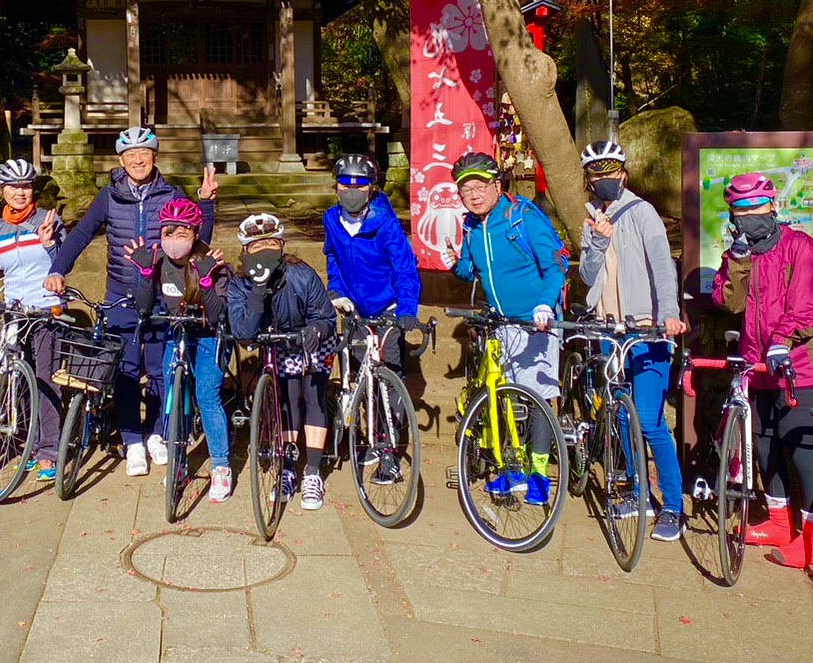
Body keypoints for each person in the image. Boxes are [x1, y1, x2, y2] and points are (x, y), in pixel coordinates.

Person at [43, 127, 215, 477]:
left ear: (155, 157)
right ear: (121, 160)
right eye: (130, 155)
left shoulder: (170, 193)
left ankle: (155, 433)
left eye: (145, 153)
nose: (138, 160)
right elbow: (80, 234)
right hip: (120, 292)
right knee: (123, 369)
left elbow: (195, 241)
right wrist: (58, 268)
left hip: (161, 292)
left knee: (158, 369)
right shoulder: (110, 195)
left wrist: (206, 203)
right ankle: (132, 440)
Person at [711, 171, 813, 570]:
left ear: (773, 207)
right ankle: (779, 522)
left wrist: (781, 339)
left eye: (755, 208)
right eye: (739, 210)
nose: (748, 216)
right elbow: (727, 302)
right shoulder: (739, 253)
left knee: (803, 454)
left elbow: (807, 307)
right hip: (757, 367)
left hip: (800, 369)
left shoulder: (801, 247)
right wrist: (739, 261)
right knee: (764, 447)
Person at [440, 152, 568, 507]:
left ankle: (539, 477)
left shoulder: (522, 217)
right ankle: (514, 470)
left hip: (535, 322)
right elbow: (471, 271)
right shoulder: (472, 226)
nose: (474, 195)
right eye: (466, 190)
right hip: (499, 323)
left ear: (498, 186)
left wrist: (545, 303)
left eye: (480, 187)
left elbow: (557, 263)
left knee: (538, 398)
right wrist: (456, 263)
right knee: (507, 399)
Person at [577, 139, 688, 542]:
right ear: (588, 179)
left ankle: (674, 506)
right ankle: (640, 493)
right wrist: (599, 240)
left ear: (623, 174)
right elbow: (589, 276)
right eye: (596, 174)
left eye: (611, 173)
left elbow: (662, 265)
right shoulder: (591, 217)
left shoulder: (643, 213)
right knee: (621, 415)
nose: (604, 180)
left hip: (647, 329)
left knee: (649, 419)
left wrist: (669, 314)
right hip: (609, 329)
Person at [322, 152, 421, 485]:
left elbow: (405, 269)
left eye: (360, 184)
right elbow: (333, 258)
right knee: (359, 381)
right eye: (345, 184)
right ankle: (368, 440)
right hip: (353, 310)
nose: (352, 190)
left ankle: (390, 454)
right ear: (335, 187)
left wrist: (407, 310)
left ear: (371, 188)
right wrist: (336, 291)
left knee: (386, 383)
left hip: (387, 310)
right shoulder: (331, 220)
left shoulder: (385, 223)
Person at [227, 213, 338, 510]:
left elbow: (326, 315)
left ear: (282, 245)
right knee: (287, 400)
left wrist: (314, 330)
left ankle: (313, 472)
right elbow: (243, 334)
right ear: (245, 251)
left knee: (311, 396)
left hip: (309, 339)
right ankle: (288, 466)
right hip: (276, 344)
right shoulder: (239, 285)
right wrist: (259, 292)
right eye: (256, 245)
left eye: (271, 243)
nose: (264, 250)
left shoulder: (301, 274)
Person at [127, 197, 234, 502]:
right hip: (177, 333)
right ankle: (179, 462)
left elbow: (216, 316)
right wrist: (146, 277)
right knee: (173, 394)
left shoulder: (209, 261)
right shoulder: (158, 260)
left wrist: (207, 281)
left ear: (195, 234)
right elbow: (144, 308)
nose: (173, 241)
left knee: (205, 395)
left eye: (181, 234)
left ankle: (221, 467)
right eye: (168, 233)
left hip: (210, 336)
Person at [0, 158, 65, 482]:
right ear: (1, 191)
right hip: (12, 312)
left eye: (26, 186)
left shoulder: (48, 220)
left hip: (44, 310)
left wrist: (50, 244)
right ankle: (27, 442)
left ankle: (49, 451)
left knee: (44, 380)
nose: (20, 192)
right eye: (13, 187)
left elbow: (64, 262)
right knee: (16, 378)